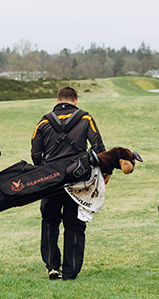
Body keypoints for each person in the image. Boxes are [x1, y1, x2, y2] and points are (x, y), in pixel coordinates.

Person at [31, 86, 106, 280]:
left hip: (51, 181)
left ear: (57, 101)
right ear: (76, 101)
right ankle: (71, 271)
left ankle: (52, 267)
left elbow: (35, 154)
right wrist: (104, 173)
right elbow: (99, 148)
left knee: (49, 222)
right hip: (77, 182)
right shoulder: (85, 118)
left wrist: (43, 173)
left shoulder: (44, 121)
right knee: (74, 224)